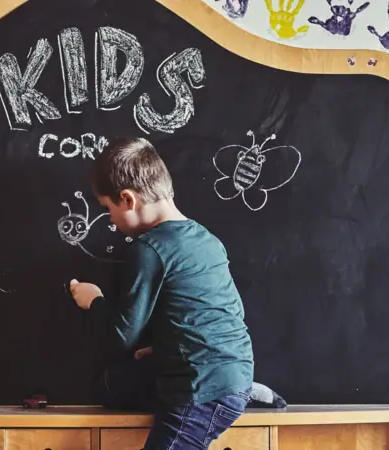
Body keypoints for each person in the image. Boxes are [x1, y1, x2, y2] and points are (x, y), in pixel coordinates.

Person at [68, 136, 255, 449]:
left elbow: (120, 336)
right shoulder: (205, 239)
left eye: (108, 208)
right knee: (114, 385)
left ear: (128, 199)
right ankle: (250, 391)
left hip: (200, 388)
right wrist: (165, 346)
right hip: (234, 371)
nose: (111, 221)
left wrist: (94, 300)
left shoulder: (149, 249)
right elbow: (213, 313)